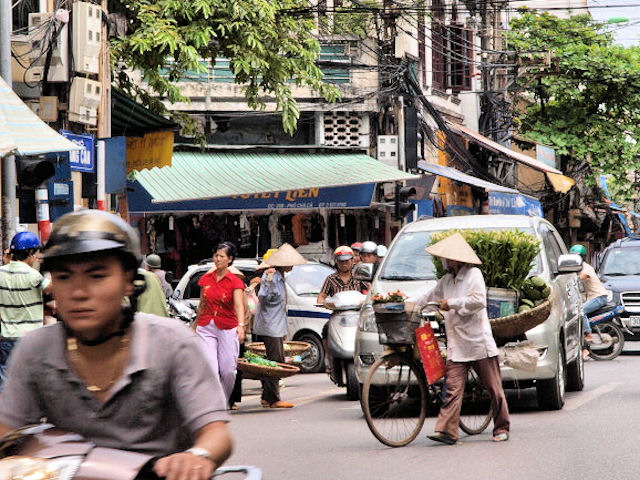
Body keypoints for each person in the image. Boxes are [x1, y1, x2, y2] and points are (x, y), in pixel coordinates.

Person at [0, 210, 232, 479]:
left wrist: (197, 456)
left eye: (97, 276)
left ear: (128, 282)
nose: (78, 292)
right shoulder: (36, 348)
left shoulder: (172, 341)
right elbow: (7, 427)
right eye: (64, 277)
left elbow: (216, 432)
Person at [417, 233, 510, 445]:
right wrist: (409, 305)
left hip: (478, 342)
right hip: (457, 344)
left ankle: (502, 426)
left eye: (449, 257)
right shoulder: (446, 281)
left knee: (493, 388)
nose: (445, 261)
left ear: (458, 258)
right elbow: (429, 297)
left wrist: (452, 303)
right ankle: (448, 431)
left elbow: (478, 301)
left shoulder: (473, 275)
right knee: (452, 389)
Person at [253, 243, 305, 408]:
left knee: (273, 360)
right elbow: (264, 297)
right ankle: (273, 398)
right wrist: (268, 283)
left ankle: (267, 396)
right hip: (270, 325)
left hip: (275, 325)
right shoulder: (272, 277)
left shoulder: (280, 278)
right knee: (276, 362)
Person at [195, 242, 246, 402]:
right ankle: (213, 402)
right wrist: (195, 325)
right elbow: (202, 304)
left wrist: (241, 325)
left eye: (221, 256)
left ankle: (223, 400)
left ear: (229, 259)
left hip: (227, 326)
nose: (217, 259)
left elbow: (239, 305)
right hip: (206, 326)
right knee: (210, 367)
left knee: (228, 371)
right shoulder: (205, 279)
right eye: (216, 256)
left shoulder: (235, 281)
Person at [0, 231, 50, 386]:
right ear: (30, 253)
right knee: (33, 382)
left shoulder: (1, 273)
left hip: (7, 337)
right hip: (31, 337)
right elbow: (52, 289)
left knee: (5, 381)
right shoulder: (33, 276)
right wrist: (47, 267)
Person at [569, 244, 608, 357]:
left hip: (599, 297)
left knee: (581, 310)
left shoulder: (586, 268)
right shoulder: (578, 268)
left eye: (578, 257)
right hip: (592, 297)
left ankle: (588, 334)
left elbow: (579, 278)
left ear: (582, 257)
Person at [227, 266, 256, 411]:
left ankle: (232, 400)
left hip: (237, 333)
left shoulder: (243, 294)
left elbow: (249, 311)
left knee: (235, 367)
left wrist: (242, 328)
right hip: (227, 332)